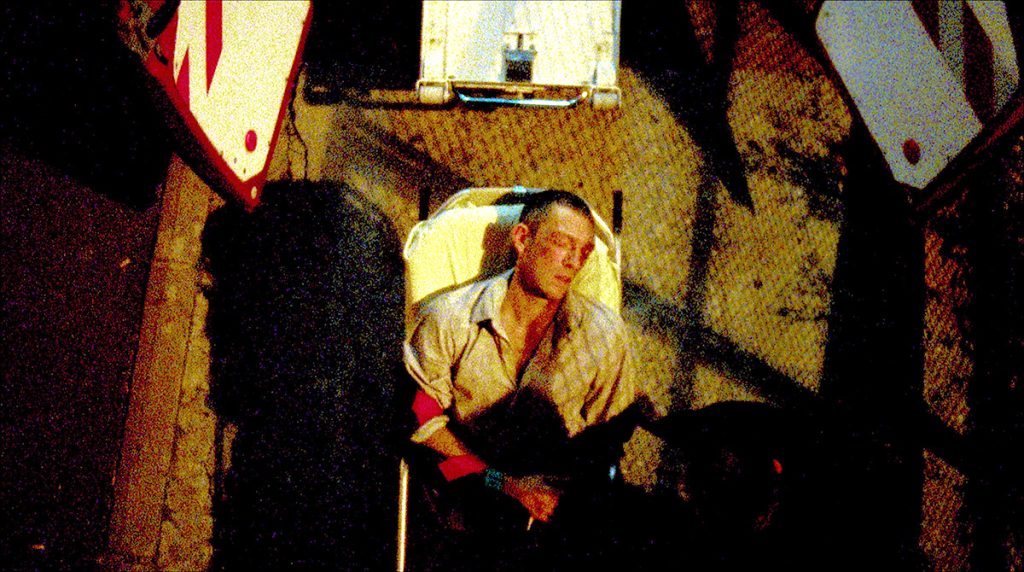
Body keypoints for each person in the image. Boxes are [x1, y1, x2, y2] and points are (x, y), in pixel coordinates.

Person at [403, 190, 643, 570]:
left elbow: (608, 437)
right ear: (522, 239)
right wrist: (505, 484)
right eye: (562, 243)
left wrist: (564, 491)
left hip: (556, 507)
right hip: (466, 482)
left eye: (583, 251)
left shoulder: (604, 336)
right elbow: (421, 417)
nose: (573, 262)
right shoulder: (450, 319)